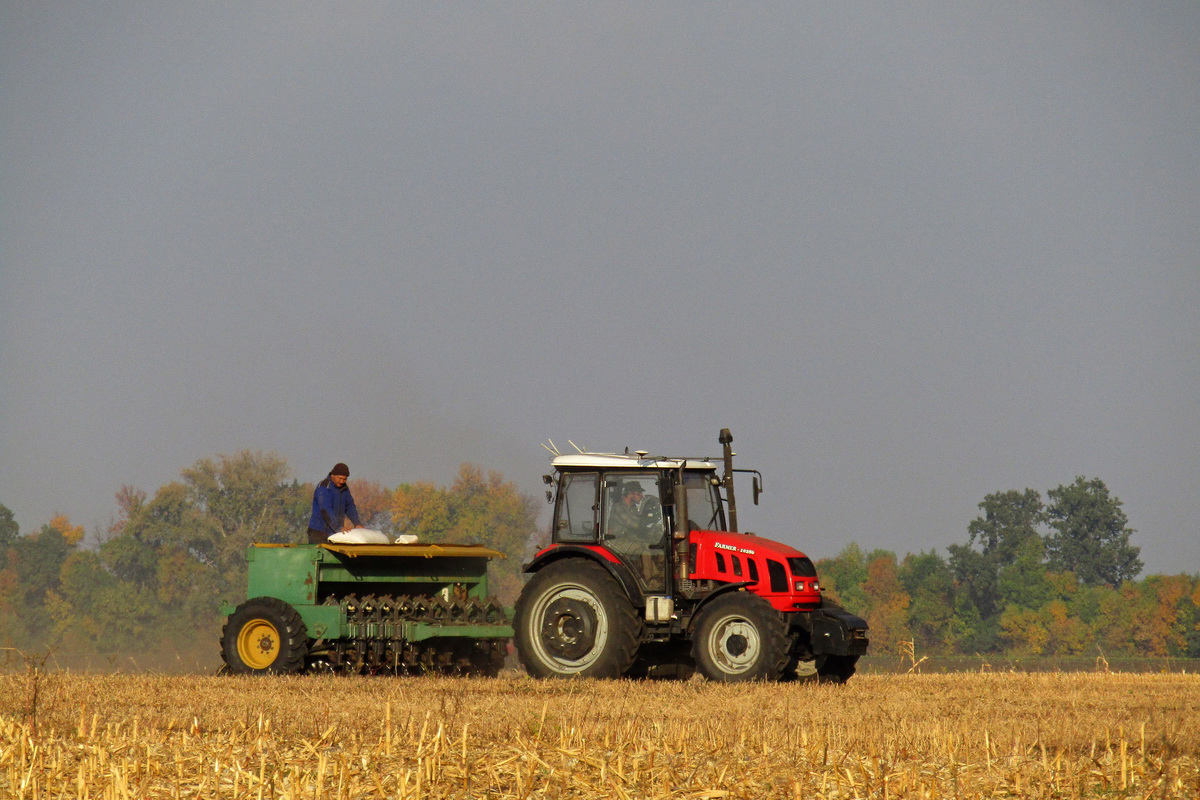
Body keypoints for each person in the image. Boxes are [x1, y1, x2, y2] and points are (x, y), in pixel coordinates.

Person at [307, 463, 362, 544]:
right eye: (340, 478)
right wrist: (338, 528)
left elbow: (350, 506)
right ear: (332, 475)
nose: (342, 481)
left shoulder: (344, 488)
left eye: (344, 479)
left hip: (335, 532)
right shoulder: (324, 487)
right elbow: (325, 510)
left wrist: (357, 523)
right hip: (318, 532)